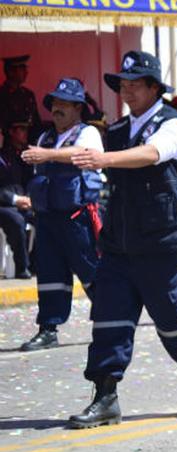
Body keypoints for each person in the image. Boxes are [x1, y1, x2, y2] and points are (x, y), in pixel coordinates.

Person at [67, 50, 177, 428]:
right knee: (109, 319)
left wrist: (105, 160)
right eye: (123, 84)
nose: (127, 91)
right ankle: (105, 396)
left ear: (154, 88)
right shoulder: (117, 130)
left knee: (171, 317)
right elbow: (92, 160)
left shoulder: (174, 125)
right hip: (119, 242)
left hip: (161, 240)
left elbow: (152, 154)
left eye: (135, 84)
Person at [18, 78, 102, 351]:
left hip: (78, 218)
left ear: (78, 108)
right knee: (50, 274)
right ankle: (48, 329)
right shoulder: (46, 138)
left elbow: (82, 154)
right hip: (48, 218)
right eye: (55, 102)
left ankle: (113, 322)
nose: (58, 108)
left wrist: (47, 155)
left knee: (91, 271)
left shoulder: (87, 133)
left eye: (65, 103)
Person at [0, 120, 34, 279]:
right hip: (4, 205)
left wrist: (28, 198)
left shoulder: (10, 156)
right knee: (16, 219)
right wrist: (14, 199)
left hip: (19, 203)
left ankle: (40, 264)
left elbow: (24, 181)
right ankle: (22, 267)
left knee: (45, 216)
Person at [0, 55, 42, 139]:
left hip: (29, 141)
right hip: (8, 142)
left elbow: (36, 122)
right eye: (22, 69)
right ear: (11, 72)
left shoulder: (28, 94)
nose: (26, 72)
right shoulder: (2, 95)